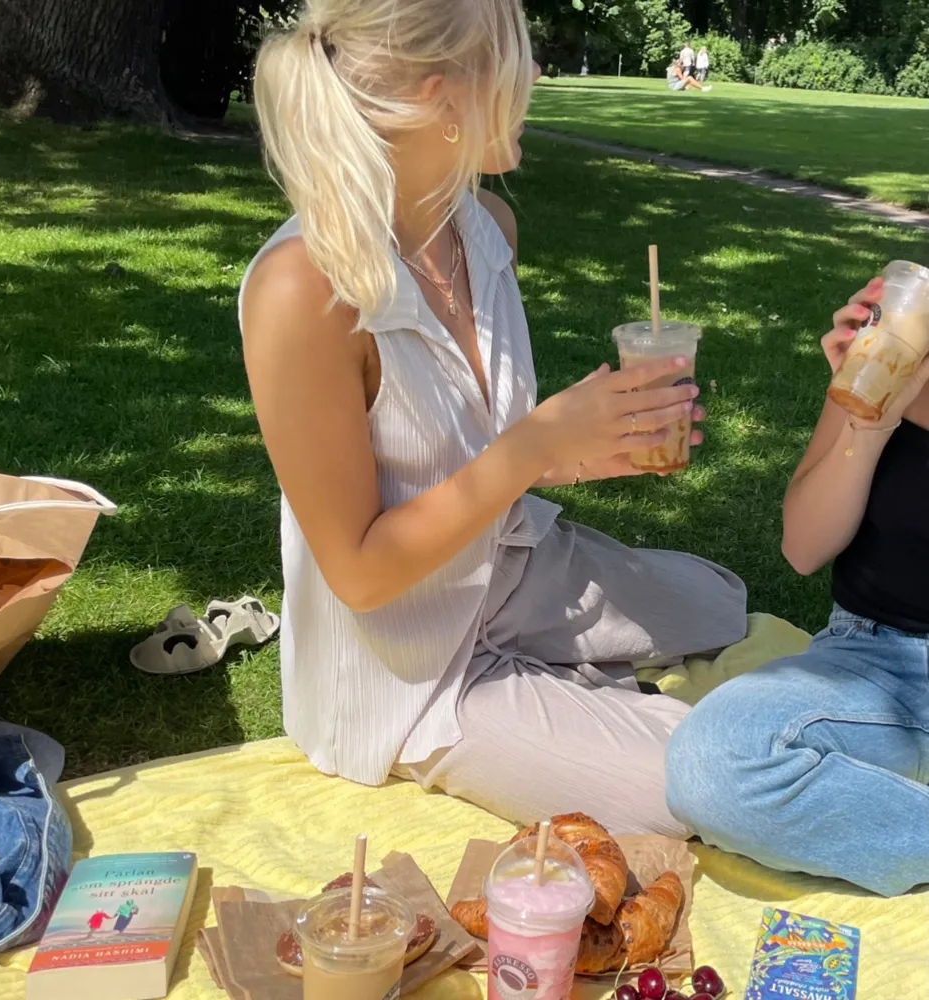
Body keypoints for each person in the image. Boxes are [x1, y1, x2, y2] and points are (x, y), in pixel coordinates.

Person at [241, 0, 746, 836]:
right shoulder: (304, 290)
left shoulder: (485, 229)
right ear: (443, 99)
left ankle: (572, 685)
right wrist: (534, 447)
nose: (538, 77)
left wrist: (586, 450)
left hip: (512, 569)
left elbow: (497, 450)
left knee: (722, 605)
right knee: (707, 777)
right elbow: (361, 575)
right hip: (411, 668)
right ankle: (556, 703)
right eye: (520, 61)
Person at [667, 276, 929, 897]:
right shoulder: (901, 338)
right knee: (715, 763)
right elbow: (804, 548)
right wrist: (872, 418)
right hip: (873, 660)